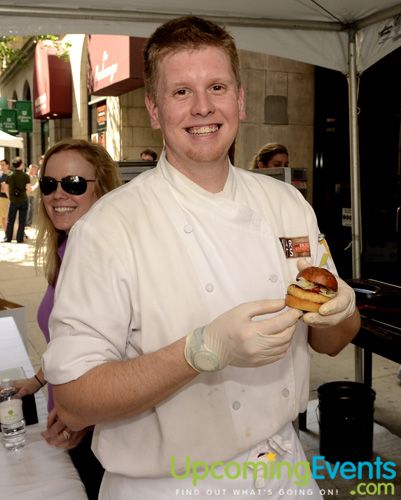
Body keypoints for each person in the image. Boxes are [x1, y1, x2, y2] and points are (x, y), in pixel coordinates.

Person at [43, 16, 360, 500]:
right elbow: (74, 400)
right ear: (153, 108)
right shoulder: (109, 229)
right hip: (170, 485)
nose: (203, 108)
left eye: (216, 86)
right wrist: (197, 352)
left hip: (283, 470)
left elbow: (333, 343)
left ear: (240, 99)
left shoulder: (286, 204)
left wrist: (343, 310)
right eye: (181, 92)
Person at [14, 139, 122, 500]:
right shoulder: (65, 248)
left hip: (103, 427)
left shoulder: (112, 258)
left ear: (102, 190)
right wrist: (39, 380)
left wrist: (84, 417)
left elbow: (125, 353)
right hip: (70, 419)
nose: (58, 194)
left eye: (74, 183)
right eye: (49, 184)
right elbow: (70, 338)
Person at [3, 156, 30, 243]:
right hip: (23, 200)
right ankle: (19, 238)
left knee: (10, 220)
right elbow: (29, 188)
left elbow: (5, 188)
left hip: (13, 201)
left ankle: (8, 238)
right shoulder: (26, 176)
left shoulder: (9, 175)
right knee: (22, 221)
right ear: (21, 164)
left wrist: (9, 197)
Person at [26, 162, 39, 226]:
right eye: (33, 169)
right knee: (27, 209)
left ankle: (29, 222)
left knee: (32, 209)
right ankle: (26, 222)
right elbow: (29, 187)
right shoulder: (26, 176)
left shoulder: (36, 177)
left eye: (35, 170)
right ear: (30, 169)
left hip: (33, 196)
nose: (34, 171)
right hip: (26, 195)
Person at [0, 159, 10, 232]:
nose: (1, 167)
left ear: (7, 165)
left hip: (13, 199)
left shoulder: (12, 175)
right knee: (4, 217)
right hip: (3, 199)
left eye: (3, 165)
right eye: (1, 165)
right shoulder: (1, 176)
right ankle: (7, 234)